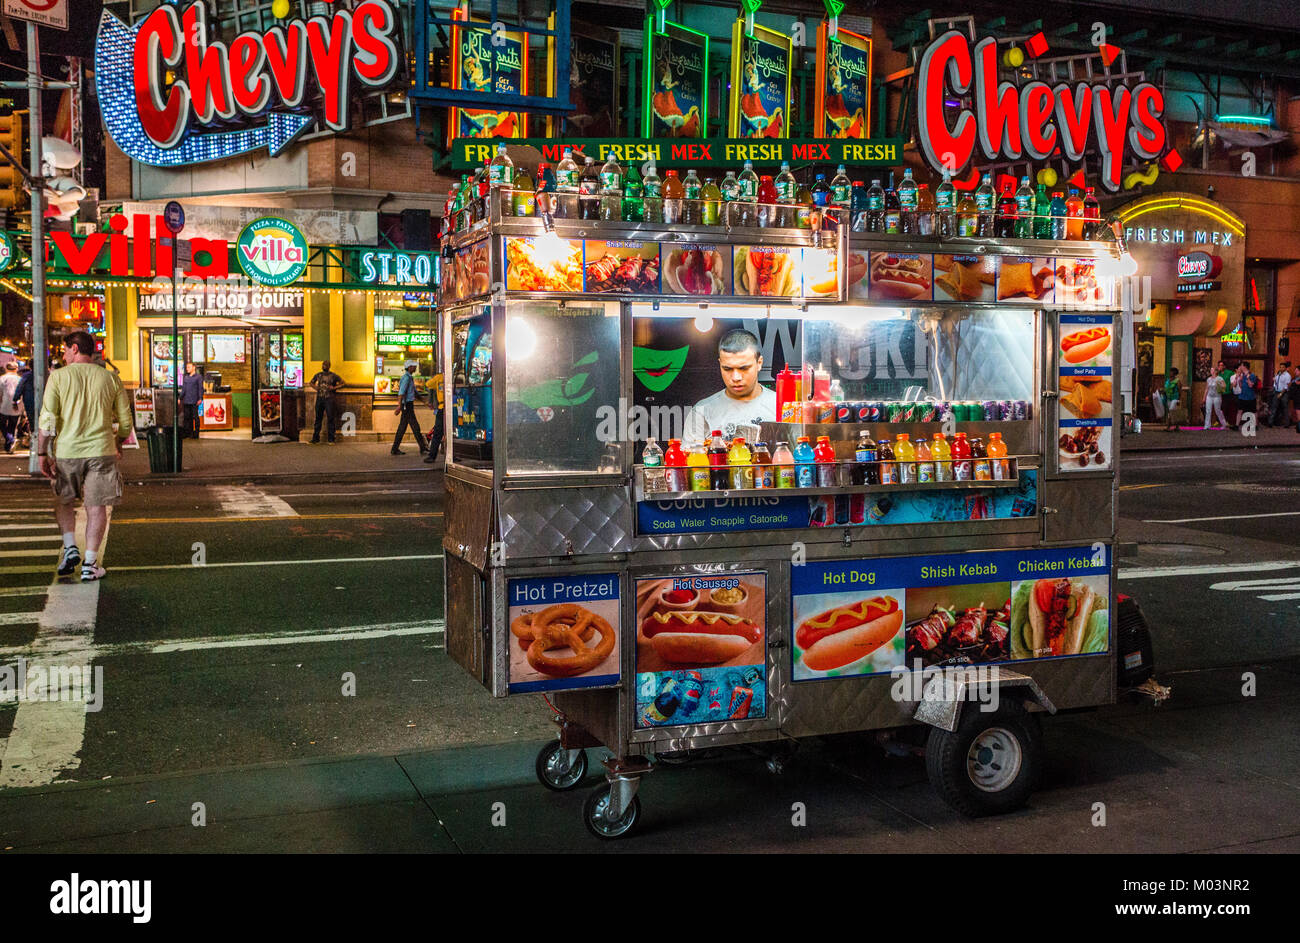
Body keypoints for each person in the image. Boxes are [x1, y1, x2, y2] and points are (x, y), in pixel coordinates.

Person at [35, 331, 132, 582]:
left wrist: (42, 452)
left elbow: (47, 420)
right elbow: (125, 421)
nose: (64, 354)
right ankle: (90, 563)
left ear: (75, 349)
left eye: (66, 349)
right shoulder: (110, 379)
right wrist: (119, 441)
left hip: (67, 451)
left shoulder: (57, 377)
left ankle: (70, 548)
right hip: (102, 450)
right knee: (96, 506)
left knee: (64, 500)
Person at [682, 330, 778, 444]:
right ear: (720, 364)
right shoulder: (702, 411)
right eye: (727, 369)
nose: (736, 377)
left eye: (744, 368)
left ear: (759, 363)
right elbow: (691, 459)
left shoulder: (781, 406)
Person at [391, 361, 428, 455]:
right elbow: (401, 393)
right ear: (410, 367)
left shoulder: (409, 378)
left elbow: (415, 392)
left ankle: (395, 449)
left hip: (407, 405)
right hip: (407, 406)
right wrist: (400, 406)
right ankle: (422, 448)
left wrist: (425, 402)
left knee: (403, 427)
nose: (415, 367)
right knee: (415, 426)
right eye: (414, 366)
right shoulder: (407, 378)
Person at [308, 360, 344, 444]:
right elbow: (311, 383)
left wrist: (334, 387)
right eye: (323, 364)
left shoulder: (333, 376)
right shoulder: (318, 375)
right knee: (318, 418)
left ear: (329, 366)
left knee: (330, 418)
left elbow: (343, 383)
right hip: (320, 398)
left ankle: (331, 439)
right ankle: (315, 438)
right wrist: (315, 388)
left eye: (326, 365)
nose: (324, 366)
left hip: (329, 399)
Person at [423, 369, 445, 465]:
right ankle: (454, 455)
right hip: (452, 408)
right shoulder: (452, 376)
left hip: (442, 407)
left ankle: (432, 456)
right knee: (452, 432)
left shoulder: (439, 377)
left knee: (437, 433)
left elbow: (428, 384)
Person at [0, 361, 20, 453]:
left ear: (6, 369)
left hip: (3, 405)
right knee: (12, 426)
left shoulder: (2, 379)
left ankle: (10, 440)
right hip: (17, 406)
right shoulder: (20, 379)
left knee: (2, 425)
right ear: (16, 369)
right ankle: (8, 446)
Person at [180, 363, 204, 438]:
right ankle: (188, 433)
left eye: (189, 367)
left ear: (194, 368)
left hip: (194, 401)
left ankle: (196, 433)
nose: (187, 368)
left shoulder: (198, 377)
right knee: (187, 417)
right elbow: (184, 389)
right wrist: (180, 398)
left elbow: (200, 388)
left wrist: (200, 398)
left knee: (195, 417)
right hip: (186, 400)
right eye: (187, 367)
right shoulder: (186, 377)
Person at [1268, 361, 1291, 427]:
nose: (1281, 368)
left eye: (1283, 367)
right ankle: (1270, 423)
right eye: (1280, 367)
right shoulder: (1278, 374)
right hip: (1277, 392)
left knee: (1285, 408)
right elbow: (1276, 383)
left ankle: (1287, 424)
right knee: (1274, 407)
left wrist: (1281, 394)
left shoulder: (1287, 375)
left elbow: (1286, 386)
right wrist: (1275, 384)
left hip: (1284, 393)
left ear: (1285, 368)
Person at [1236, 362, 1260, 427]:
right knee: (1239, 410)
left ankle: (1255, 425)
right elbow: (1241, 386)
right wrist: (1240, 380)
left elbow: (1251, 386)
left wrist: (1248, 380)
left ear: (1244, 367)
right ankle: (1236, 425)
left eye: (1241, 365)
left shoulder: (1252, 375)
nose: (1240, 367)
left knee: (1253, 411)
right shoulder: (1242, 375)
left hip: (1250, 396)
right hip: (1242, 396)